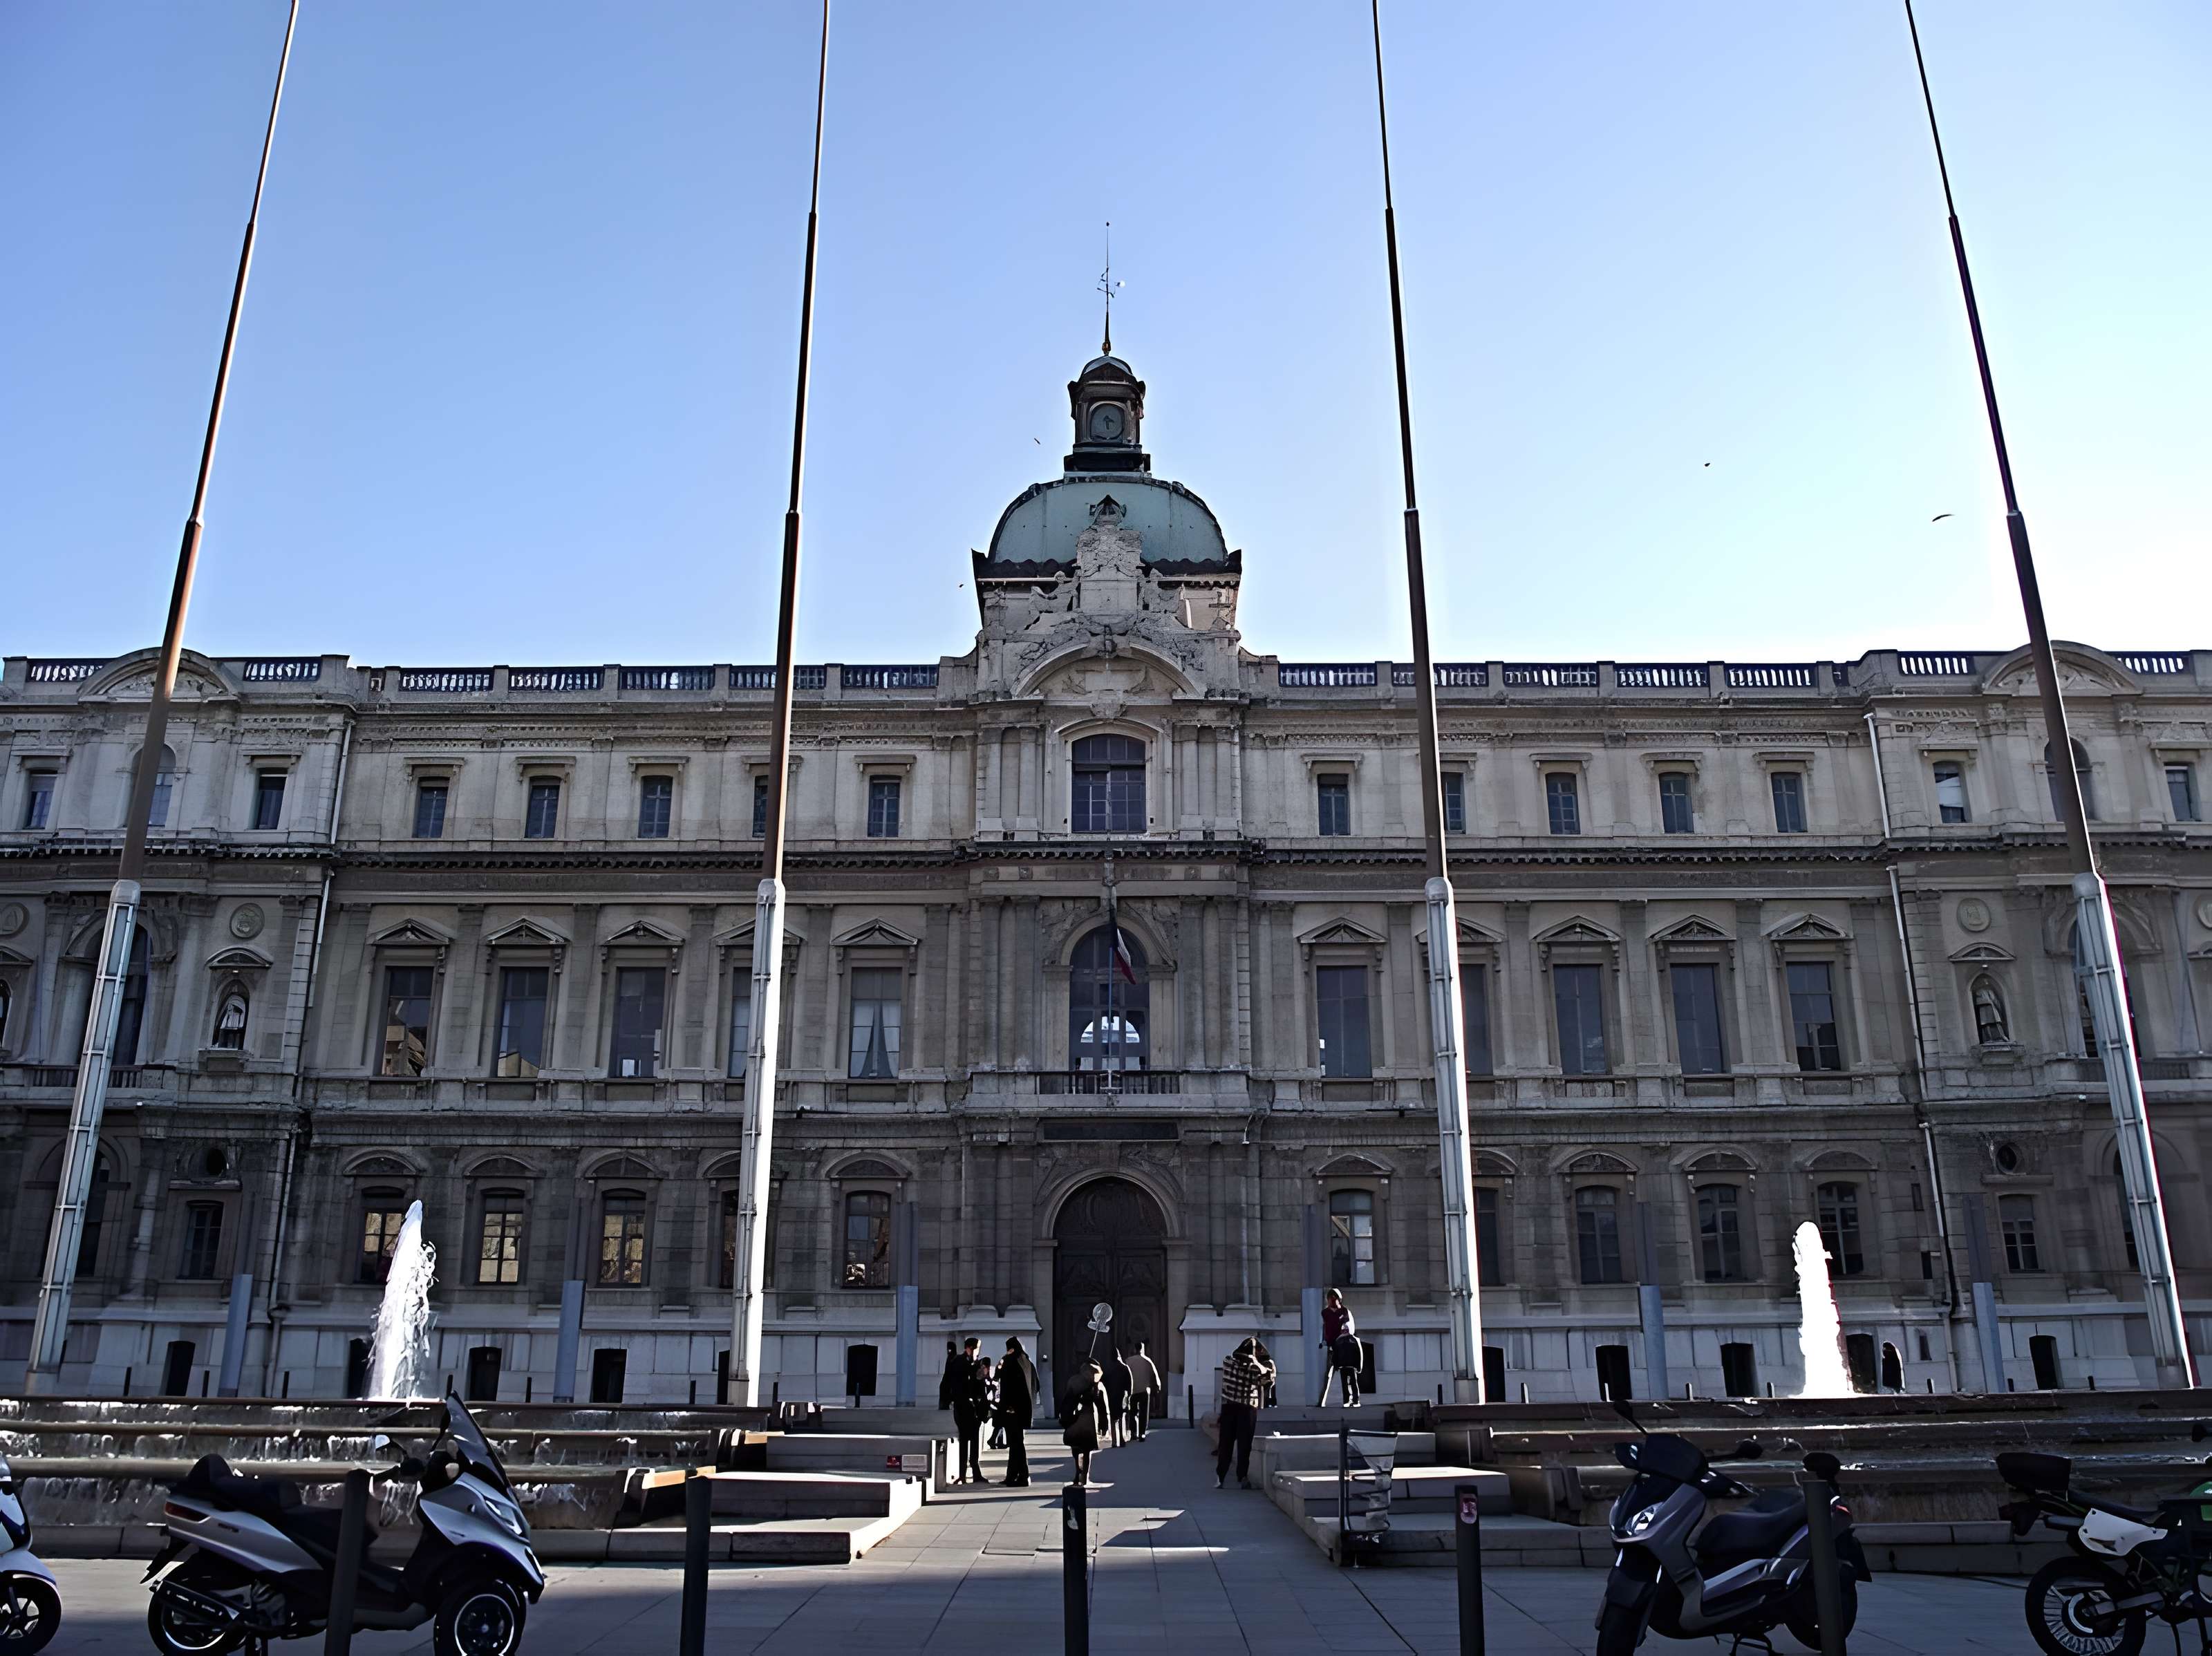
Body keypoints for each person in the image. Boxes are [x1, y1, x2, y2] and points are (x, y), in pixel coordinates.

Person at [1215, 1337, 1275, 1490]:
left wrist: (1252, 1362)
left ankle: (1221, 1477)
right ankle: (1242, 1477)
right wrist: (1254, 1362)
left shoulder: (1228, 1361)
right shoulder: (1256, 1367)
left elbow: (1267, 1379)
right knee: (1244, 1445)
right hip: (1247, 1409)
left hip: (1229, 1408)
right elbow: (1267, 1378)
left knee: (1226, 1444)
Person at [1060, 1361, 1112, 1487]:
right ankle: (1084, 1475)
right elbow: (1103, 1408)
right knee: (1087, 1450)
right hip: (1089, 1421)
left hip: (1075, 1420)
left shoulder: (1074, 1382)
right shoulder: (1098, 1386)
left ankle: (1078, 1472)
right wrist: (1104, 1425)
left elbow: (1067, 1400)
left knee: (1075, 1449)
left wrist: (1063, 1416)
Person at [997, 1337, 1038, 1487]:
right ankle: (1012, 1475)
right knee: (1016, 1443)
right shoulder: (1028, 1362)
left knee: (1016, 1444)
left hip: (1011, 1410)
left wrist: (1009, 1406)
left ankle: (1023, 1476)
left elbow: (1005, 1384)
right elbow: (1036, 1385)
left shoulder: (1010, 1361)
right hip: (1025, 1410)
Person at [951, 1337, 991, 1484]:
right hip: (963, 1408)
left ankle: (975, 1472)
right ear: (970, 1348)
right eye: (976, 1348)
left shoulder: (976, 1364)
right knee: (964, 1440)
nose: (977, 1352)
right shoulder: (959, 1362)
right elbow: (957, 1385)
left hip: (974, 1410)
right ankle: (962, 1474)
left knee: (974, 1440)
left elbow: (979, 1385)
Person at [1318, 1288, 1361, 1407]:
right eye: (1330, 1298)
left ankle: (1354, 1400)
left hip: (1344, 1347)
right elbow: (1322, 1328)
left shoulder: (1345, 1312)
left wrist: (1345, 1331)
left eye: (1335, 1298)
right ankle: (1322, 1401)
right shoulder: (1325, 1313)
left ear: (1339, 1300)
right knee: (1329, 1376)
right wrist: (1323, 1342)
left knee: (1350, 1375)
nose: (1332, 1301)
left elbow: (1350, 1329)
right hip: (1331, 1347)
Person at [1125, 1341, 1161, 1441]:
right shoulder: (1148, 1361)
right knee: (1144, 1413)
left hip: (1133, 1391)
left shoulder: (1129, 1361)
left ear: (1134, 1349)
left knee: (1132, 1412)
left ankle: (1133, 1432)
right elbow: (1154, 1376)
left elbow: (1126, 1375)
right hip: (1144, 1391)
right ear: (1143, 1349)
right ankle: (1142, 1433)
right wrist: (1157, 1388)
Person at [1105, 1348, 1133, 1447]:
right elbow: (1130, 1383)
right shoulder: (1124, 1367)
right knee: (1122, 1418)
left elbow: (1103, 1382)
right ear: (1119, 1355)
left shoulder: (1107, 1369)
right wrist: (1129, 1395)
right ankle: (1121, 1439)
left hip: (1111, 1396)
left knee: (1113, 1419)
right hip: (1122, 1396)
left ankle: (1114, 1441)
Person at [937, 1338, 961, 1412]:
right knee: (944, 1389)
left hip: (950, 1380)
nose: (948, 1351)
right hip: (947, 1379)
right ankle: (944, 1405)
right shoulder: (951, 1357)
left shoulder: (954, 1358)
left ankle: (945, 1405)